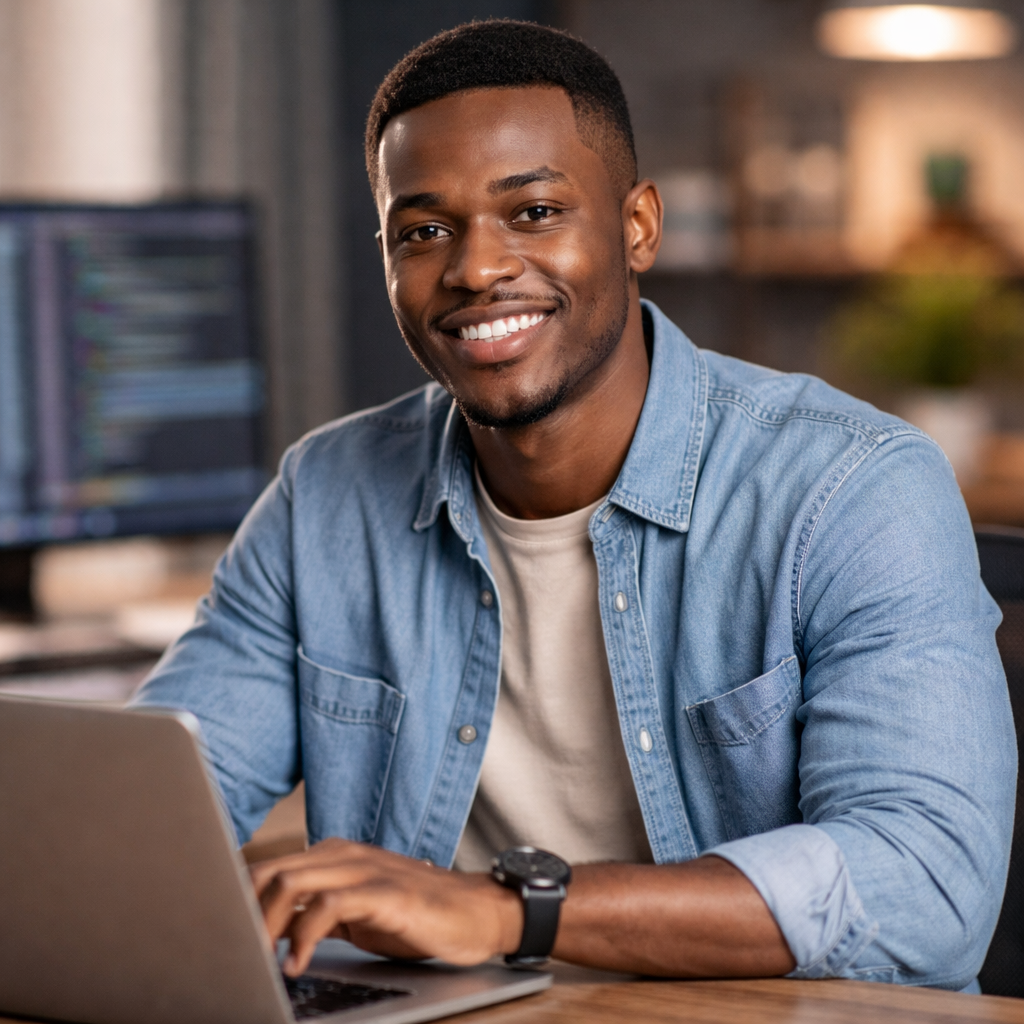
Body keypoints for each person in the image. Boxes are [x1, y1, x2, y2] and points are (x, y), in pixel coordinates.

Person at [135, 20, 1016, 991]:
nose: (474, 268)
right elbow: (147, 820)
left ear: (637, 226)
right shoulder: (325, 497)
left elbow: (926, 888)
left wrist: (510, 911)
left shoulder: (854, 487)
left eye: (535, 211)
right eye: (423, 231)